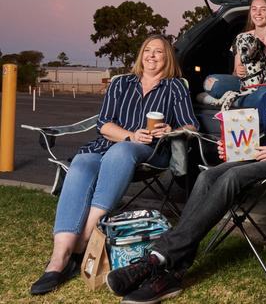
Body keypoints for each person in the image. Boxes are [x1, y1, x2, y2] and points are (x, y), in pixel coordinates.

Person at [106, 48, 266, 303]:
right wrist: (233, 146)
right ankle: (170, 273)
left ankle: (155, 259)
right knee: (207, 176)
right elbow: (249, 135)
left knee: (231, 178)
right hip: (260, 156)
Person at [30, 35, 199, 295]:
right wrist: (130, 134)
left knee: (121, 152)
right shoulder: (122, 83)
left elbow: (191, 125)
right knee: (82, 163)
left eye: (159, 52)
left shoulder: (174, 87)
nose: (152, 56)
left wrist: (170, 129)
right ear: (141, 56)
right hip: (112, 143)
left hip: (151, 151)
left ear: (168, 59)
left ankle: (84, 240)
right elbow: (104, 124)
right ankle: (59, 258)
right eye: (147, 51)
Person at [198, 0, 266, 108]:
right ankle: (234, 98)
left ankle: (234, 101)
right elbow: (235, 73)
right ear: (250, 13)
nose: (258, 13)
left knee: (265, 94)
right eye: (254, 9)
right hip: (243, 84)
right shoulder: (242, 37)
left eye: (263, 9)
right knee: (211, 82)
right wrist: (237, 71)